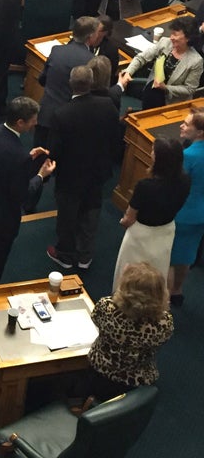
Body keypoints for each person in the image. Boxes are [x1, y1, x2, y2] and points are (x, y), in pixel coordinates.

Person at [0, 97, 55, 286]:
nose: (36, 123)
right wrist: (40, 175)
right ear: (20, 123)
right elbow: (22, 195)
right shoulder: (18, 156)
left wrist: (27, 157)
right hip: (1, 220)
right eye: (33, 120)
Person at [46, 66, 121, 270]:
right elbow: (116, 139)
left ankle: (65, 254)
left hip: (70, 176)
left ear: (71, 84)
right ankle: (85, 255)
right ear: (91, 83)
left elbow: (55, 151)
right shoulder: (107, 105)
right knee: (91, 210)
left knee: (68, 215)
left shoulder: (61, 114)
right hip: (97, 172)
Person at [84, 262, 172, 406]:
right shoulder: (165, 323)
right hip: (138, 384)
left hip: (101, 375)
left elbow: (95, 319)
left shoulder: (107, 307)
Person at [114, 138, 190, 289]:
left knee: (128, 276)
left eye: (153, 151)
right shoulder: (186, 180)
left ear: (159, 159)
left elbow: (129, 218)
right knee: (157, 273)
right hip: (166, 231)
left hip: (141, 235)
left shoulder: (145, 187)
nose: (151, 153)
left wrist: (123, 222)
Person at [34, 16, 101, 146]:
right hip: (69, 121)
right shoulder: (91, 61)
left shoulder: (56, 50)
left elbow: (42, 79)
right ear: (91, 36)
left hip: (45, 115)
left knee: (38, 156)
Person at [122, 17, 203, 110]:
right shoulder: (165, 42)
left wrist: (166, 88)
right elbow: (142, 57)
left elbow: (189, 89)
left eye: (175, 34)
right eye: (171, 33)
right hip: (151, 92)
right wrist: (128, 72)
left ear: (188, 38)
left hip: (171, 104)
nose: (171, 37)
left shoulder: (196, 61)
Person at [168, 107, 204, 307]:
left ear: (199, 132)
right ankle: (178, 290)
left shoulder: (188, 156)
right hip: (200, 215)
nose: (181, 126)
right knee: (188, 254)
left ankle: (166, 298)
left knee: (171, 257)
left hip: (182, 213)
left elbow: (176, 185)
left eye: (187, 124)